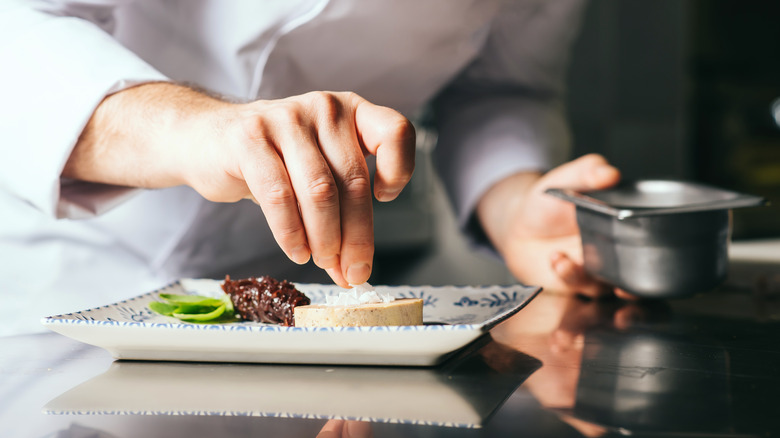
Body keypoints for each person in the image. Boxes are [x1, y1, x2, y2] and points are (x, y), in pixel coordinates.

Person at [0, 0, 623, 336]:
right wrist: (197, 128)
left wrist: (512, 202)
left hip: (290, 292)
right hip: (57, 269)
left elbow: (501, 88)